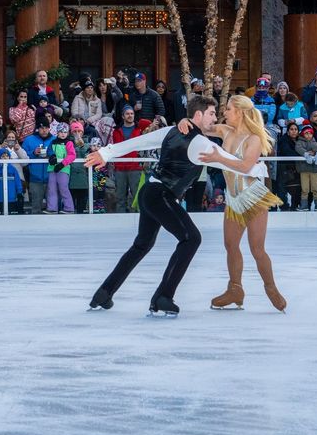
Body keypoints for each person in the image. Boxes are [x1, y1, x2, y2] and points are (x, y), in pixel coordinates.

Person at [85, 96, 223, 317]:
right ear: (198, 115)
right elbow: (225, 160)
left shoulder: (171, 130)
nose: (215, 118)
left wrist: (106, 152)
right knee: (191, 238)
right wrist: (253, 168)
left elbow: (138, 143)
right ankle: (163, 296)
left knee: (142, 245)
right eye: (212, 113)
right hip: (161, 195)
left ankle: (104, 293)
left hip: (150, 192)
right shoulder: (200, 142)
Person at [193, 95, 286, 312]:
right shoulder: (225, 131)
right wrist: (186, 122)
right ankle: (235, 289)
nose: (224, 113)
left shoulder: (254, 138)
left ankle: (271, 288)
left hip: (253, 197)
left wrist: (219, 158)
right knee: (230, 245)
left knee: (256, 248)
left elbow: (245, 166)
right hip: (234, 199)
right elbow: (202, 128)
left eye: (228, 109)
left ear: (240, 112)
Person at [21, 118, 55, 215]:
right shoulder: (29, 140)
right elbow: (22, 156)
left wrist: (52, 155)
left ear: (49, 128)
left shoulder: (55, 140)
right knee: (36, 208)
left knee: (52, 208)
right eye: (41, 128)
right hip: (35, 179)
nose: (44, 130)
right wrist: (33, 153)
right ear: (37, 129)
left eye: (46, 128)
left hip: (52, 178)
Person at [44, 122, 77, 214]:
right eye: (61, 132)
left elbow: (72, 155)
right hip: (52, 168)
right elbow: (49, 151)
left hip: (63, 168)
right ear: (57, 132)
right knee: (51, 188)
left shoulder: (68, 142)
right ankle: (52, 208)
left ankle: (69, 208)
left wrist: (62, 164)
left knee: (63, 187)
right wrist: (52, 157)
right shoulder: (53, 142)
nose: (63, 134)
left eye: (65, 132)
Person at [295, 125, 317, 211]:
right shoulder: (300, 142)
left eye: (310, 133)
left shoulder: (315, 142)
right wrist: (306, 154)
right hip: (304, 169)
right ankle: (304, 205)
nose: (308, 135)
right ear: (303, 134)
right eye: (306, 133)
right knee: (305, 188)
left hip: (314, 169)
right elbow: (298, 148)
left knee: (315, 188)